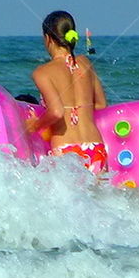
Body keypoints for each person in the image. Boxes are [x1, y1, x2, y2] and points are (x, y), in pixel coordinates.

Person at [25, 10, 108, 173]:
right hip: (96, 147)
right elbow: (101, 104)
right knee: (98, 197)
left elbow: (56, 112)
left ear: (48, 38)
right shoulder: (86, 63)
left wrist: (34, 125)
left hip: (67, 151)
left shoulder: (42, 73)